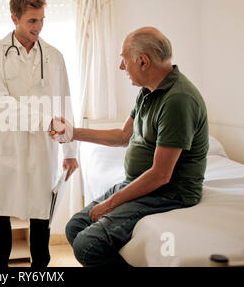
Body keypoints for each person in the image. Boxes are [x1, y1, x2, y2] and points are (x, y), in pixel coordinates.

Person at [51, 27, 209, 267]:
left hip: (170, 193)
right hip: (140, 183)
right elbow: (123, 136)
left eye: (124, 59)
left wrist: (110, 204)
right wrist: (72, 133)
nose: (121, 67)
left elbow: (160, 175)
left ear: (143, 61)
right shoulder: (148, 91)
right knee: (75, 226)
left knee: (87, 245)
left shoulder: (178, 100)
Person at [0, 0, 79, 268]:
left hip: (43, 147)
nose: (38, 27)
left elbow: (64, 102)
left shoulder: (54, 56)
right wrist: (44, 121)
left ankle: (40, 270)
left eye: (42, 20)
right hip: (8, 145)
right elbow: (0, 103)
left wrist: (70, 150)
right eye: (31, 21)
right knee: (0, 217)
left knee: (40, 216)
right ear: (14, 18)